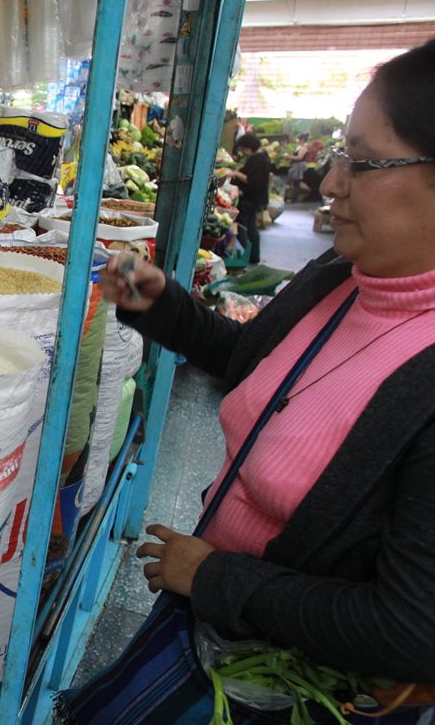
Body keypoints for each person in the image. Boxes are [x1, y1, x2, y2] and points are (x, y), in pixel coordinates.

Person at [70, 38, 435, 722]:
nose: (330, 184)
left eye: (364, 161)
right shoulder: (340, 278)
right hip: (215, 628)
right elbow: (262, 373)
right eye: (338, 155)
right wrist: (164, 307)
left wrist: (214, 577)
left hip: (290, 683)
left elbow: (412, 629)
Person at [228, 133, 270, 264]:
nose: (243, 152)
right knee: (251, 225)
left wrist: (236, 173)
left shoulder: (257, 160)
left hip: (251, 198)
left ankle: (246, 255)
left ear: (249, 147)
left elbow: (251, 180)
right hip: (256, 198)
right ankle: (253, 256)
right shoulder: (262, 157)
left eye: (243, 149)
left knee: (244, 226)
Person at [287, 131, 310, 200]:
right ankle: (294, 197)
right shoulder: (299, 147)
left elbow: (299, 157)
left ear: (302, 140)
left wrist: (288, 156)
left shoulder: (303, 148)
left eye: (298, 139)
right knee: (295, 182)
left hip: (299, 166)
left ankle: (294, 198)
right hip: (296, 165)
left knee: (296, 182)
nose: (296, 140)